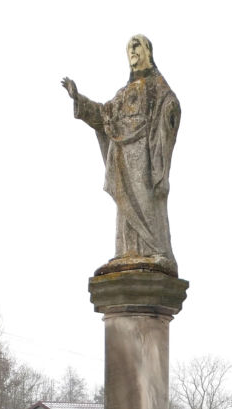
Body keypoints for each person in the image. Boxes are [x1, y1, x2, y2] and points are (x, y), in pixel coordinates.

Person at [62, 35, 181, 271]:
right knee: (125, 210)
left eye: (137, 46)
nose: (133, 51)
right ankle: (127, 252)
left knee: (147, 203)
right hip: (123, 161)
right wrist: (79, 99)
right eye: (129, 48)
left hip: (145, 158)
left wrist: (169, 111)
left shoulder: (158, 87)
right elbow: (103, 115)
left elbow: (171, 106)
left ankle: (157, 251)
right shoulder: (123, 94)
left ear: (148, 52)